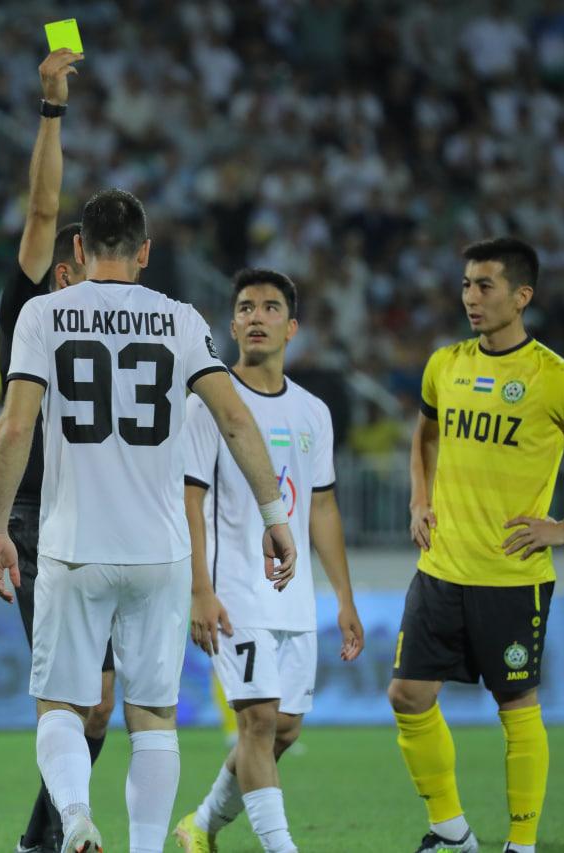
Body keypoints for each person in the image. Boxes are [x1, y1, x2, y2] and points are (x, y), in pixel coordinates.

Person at [0, 188, 297, 853]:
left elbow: (14, 427)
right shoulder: (181, 320)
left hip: (73, 546)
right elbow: (234, 418)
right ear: (145, 253)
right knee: (153, 716)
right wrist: (275, 513)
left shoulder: (46, 314)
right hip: (161, 550)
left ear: (78, 248)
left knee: (62, 704)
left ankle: (74, 819)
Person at [391, 237, 564, 853]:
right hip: (441, 568)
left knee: (516, 705)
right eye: (467, 284)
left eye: (485, 285)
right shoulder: (444, 363)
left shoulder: (555, 378)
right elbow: (423, 437)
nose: (470, 297)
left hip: (511, 576)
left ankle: (521, 844)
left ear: (522, 296)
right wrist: (420, 499)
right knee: (407, 695)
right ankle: (451, 833)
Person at [174, 269, 365, 853]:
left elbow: (322, 507)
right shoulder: (208, 404)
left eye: (270, 307)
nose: (257, 316)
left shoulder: (313, 412)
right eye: (246, 308)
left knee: (283, 729)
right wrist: (199, 589)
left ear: (292, 327)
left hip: (295, 594)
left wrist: (344, 597)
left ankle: (202, 824)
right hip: (234, 590)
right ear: (231, 325)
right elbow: (190, 497)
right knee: (256, 721)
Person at [0, 48, 115, 853]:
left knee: (100, 705)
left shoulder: (125, 325)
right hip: (42, 518)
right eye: (70, 261)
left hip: (111, 521)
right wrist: (51, 107)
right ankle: (53, 839)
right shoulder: (34, 308)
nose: (79, 271)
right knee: (66, 697)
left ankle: (48, 832)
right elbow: (41, 213)